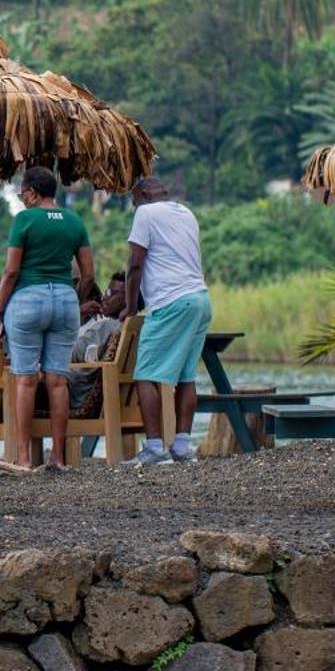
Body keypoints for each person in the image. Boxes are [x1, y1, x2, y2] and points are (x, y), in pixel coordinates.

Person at [0, 167, 93, 469]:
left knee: (25, 380)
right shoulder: (74, 221)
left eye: (23, 194)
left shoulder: (24, 220)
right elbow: (88, 274)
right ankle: (58, 458)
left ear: (33, 193)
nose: (23, 200)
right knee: (57, 380)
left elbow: (11, 272)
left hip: (28, 299)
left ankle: (23, 459)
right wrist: (72, 300)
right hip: (64, 300)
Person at [122, 175, 212, 465]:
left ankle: (155, 448)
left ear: (144, 194)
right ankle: (182, 446)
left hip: (170, 302)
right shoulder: (185, 212)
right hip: (199, 299)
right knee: (186, 375)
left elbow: (136, 264)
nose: (134, 204)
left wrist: (130, 306)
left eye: (134, 198)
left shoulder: (145, 212)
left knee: (145, 374)